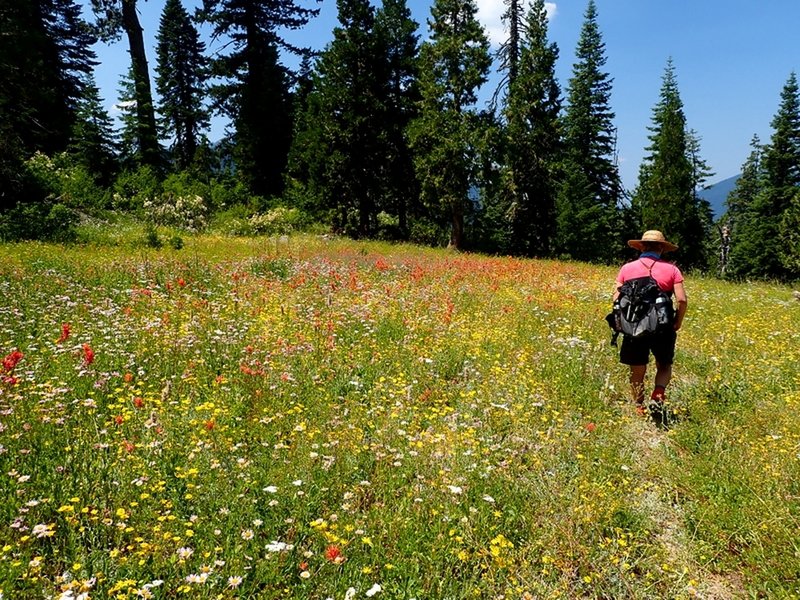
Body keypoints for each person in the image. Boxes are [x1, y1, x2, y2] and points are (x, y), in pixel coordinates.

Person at [612, 230, 688, 420]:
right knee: (664, 364)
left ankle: (639, 406)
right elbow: (682, 300)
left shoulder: (627, 268)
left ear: (642, 247)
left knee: (637, 369)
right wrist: (677, 321)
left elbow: (616, 297)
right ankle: (658, 393)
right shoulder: (672, 270)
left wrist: (622, 323)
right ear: (662, 248)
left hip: (634, 325)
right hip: (663, 325)